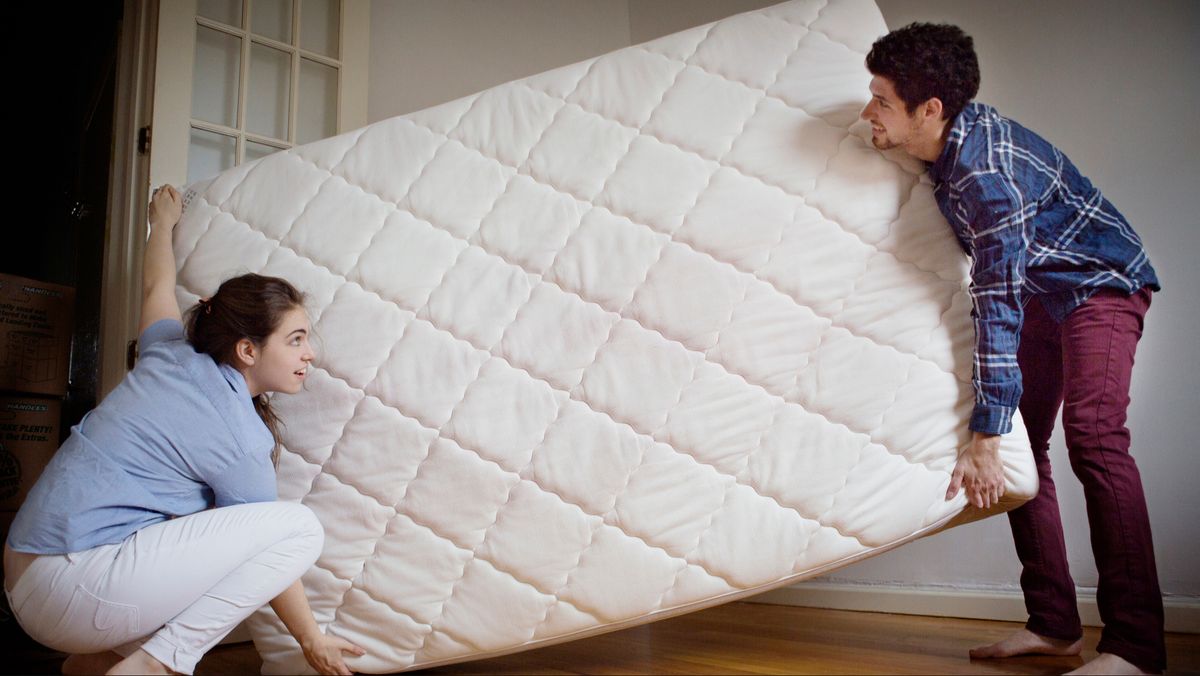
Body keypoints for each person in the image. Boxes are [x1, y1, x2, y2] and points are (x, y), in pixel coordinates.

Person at [859, 23, 1164, 675]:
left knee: (1095, 437)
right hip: (1041, 290)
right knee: (1027, 442)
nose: (868, 112)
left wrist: (982, 436)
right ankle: (1055, 625)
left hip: (1098, 284)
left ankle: (1136, 647)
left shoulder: (986, 174)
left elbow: (995, 299)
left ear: (931, 110)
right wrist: (997, 432)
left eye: (881, 100)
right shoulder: (945, 146)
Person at [3, 185, 364, 675]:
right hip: (70, 585)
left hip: (22, 574)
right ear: (248, 350)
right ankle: (161, 665)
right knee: (299, 529)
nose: (310, 354)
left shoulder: (168, 351)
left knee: (188, 538)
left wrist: (162, 222)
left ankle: (92, 663)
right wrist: (312, 640)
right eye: (296, 340)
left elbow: (157, 286)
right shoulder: (238, 434)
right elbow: (273, 555)